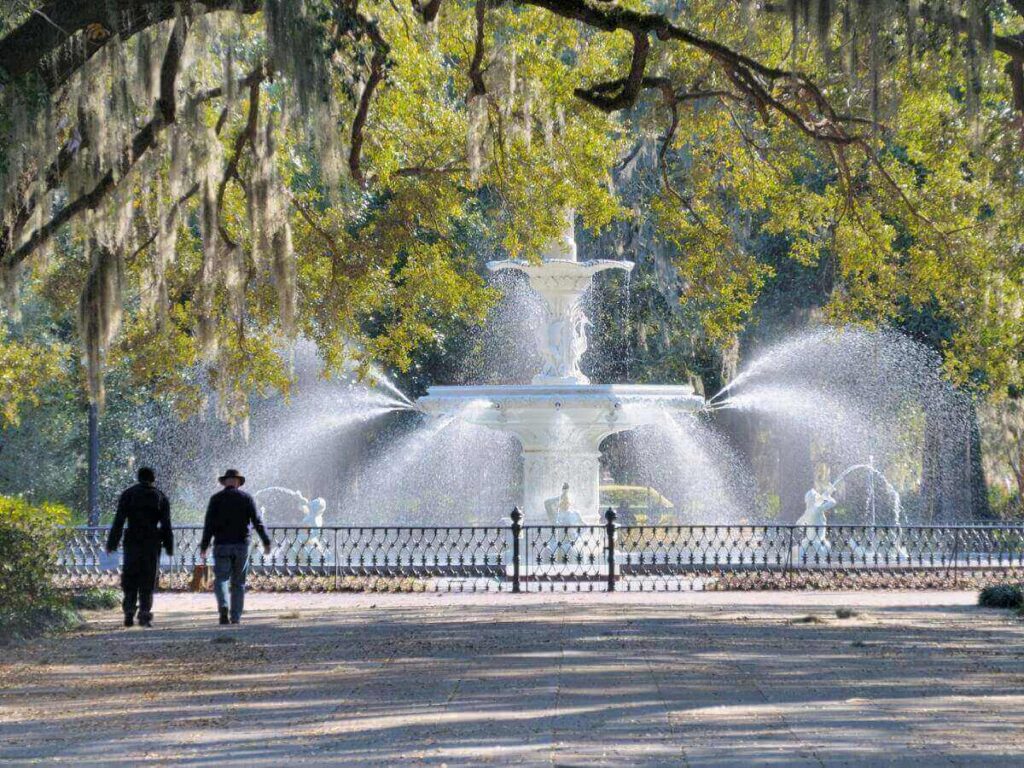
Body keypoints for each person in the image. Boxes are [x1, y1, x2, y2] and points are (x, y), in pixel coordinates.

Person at [199, 469, 271, 625]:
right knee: (238, 583)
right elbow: (257, 521)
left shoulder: (216, 499)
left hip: (221, 545)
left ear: (225, 482)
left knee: (221, 579)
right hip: (241, 545)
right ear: (238, 482)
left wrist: (204, 546)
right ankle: (236, 617)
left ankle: (224, 607)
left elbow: (209, 525)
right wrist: (266, 541)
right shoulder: (246, 498)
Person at [105, 467, 173, 628]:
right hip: (151, 541)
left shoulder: (128, 494)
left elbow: (119, 521)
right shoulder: (160, 496)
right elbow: (166, 525)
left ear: (138, 477)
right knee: (148, 579)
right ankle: (144, 615)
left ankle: (129, 610)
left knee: (130, 576)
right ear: (153, 479)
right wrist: (169, 546)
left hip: (132, 540)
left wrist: (112, 543)